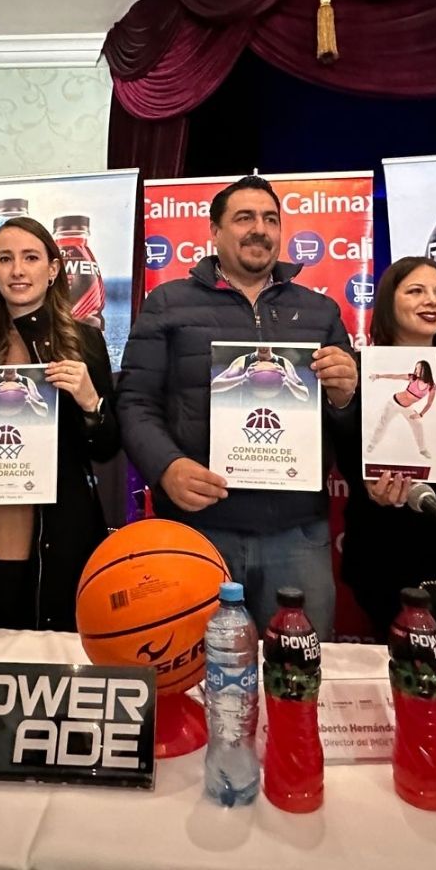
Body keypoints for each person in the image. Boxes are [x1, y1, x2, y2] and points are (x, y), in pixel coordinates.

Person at [118, 175, 358, 639]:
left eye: (270, 219)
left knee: (298, 677)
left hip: (296, 533)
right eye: (244, 218)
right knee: (193, 673)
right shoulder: (167, 302)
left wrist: (346, 397)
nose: (259, 229)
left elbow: (344, 421)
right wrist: (166, 467)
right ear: (214, 232)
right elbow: (135, 401)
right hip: (199, 529)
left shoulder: (320, 312)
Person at [0, 215, 119, 631]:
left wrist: (91, 401)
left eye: (30, 257)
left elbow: (106, 447)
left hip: (62, 522)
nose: (17, 270)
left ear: (52, 269)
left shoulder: (86, 342)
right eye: (5, 259)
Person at [338, 256, 436, 638]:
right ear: (388, 301)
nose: (431, 301)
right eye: (416, 291)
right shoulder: (359, 368)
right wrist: (369, 486)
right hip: (383, 548)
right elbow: (346, 446)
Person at [365, 360, 436, 458]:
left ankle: (422, 449)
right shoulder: (412, 377)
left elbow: (429, 403)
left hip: (407, 408)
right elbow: (395, 376)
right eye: (416, 368)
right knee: (383, 423)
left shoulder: (431, 386)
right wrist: (378, 376)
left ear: (425, 369)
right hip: (394, 403)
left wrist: (420, 414)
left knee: (418, 425)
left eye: (419, 368)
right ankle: (372, 444)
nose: (416, 370)